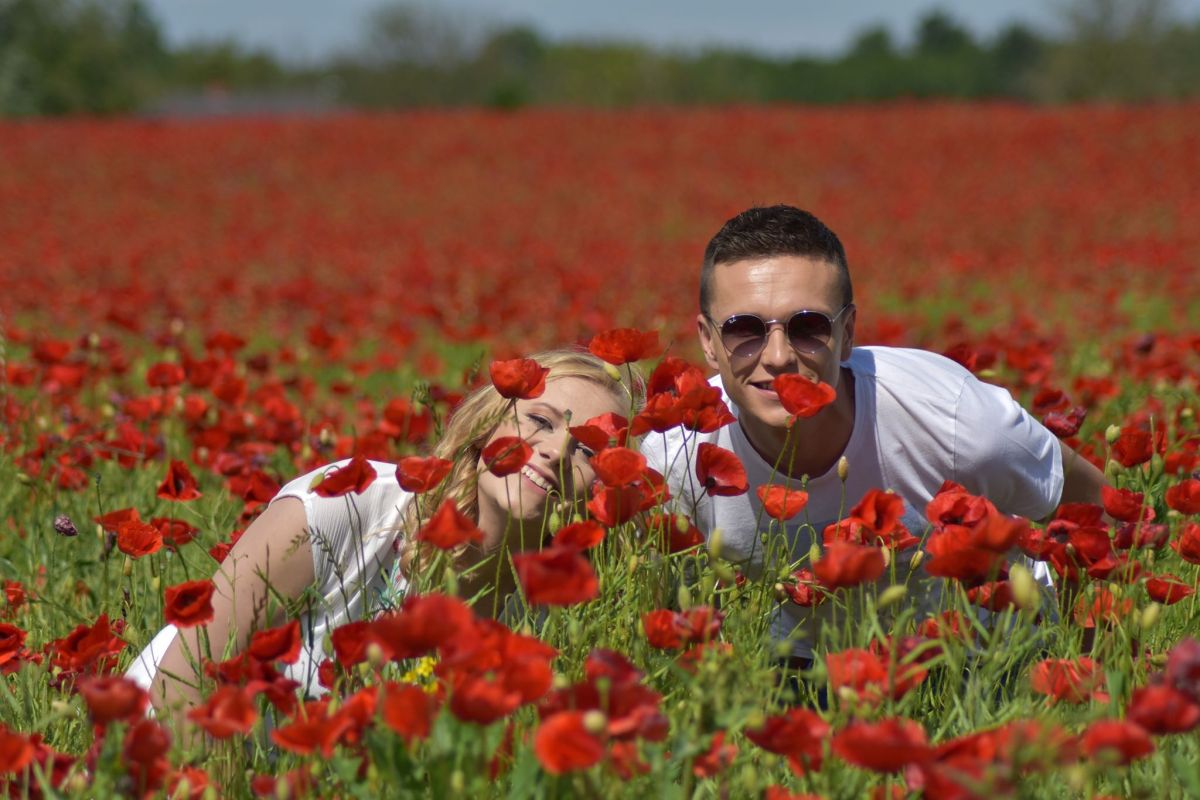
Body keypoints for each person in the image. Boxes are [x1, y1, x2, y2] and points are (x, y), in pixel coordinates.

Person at [641, 205, 1107, 665]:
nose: (779, 356)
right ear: (707, 341)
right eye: (744, 329)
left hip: (992, 654)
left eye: (808, 327)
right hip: (793, 671)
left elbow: (1096, 510)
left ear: (847, 333)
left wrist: (1085, 665)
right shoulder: (675, 454)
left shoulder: (953, 419)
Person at [127, 348, 639, 717]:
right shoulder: (347, 505)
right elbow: (184, 682)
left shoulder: (557, 617)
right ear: (489, 422)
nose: (555, 450)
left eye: (589, 449)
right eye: (540, 420)